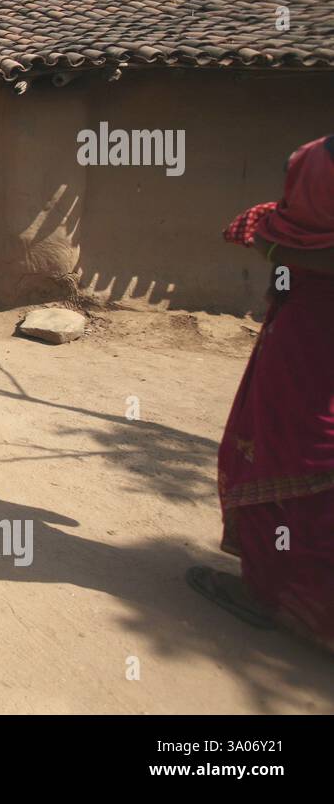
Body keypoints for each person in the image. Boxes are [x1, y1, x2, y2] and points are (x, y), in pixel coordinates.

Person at [189, 134, 334, 651]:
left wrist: (280, 237)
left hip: (302, 353)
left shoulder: (315, 172)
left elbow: (264, 236)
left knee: (281, 456)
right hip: (302, 335)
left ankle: (271, 593)